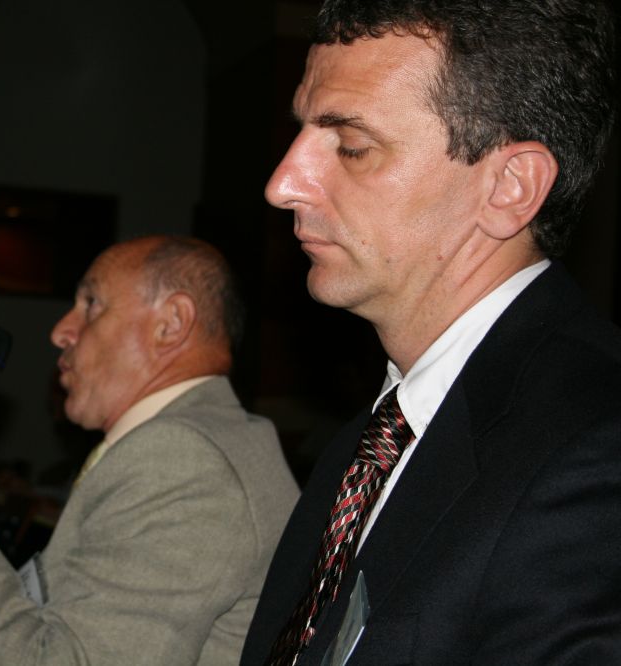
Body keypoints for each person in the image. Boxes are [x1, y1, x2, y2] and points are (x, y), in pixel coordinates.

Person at [239, 1, 620, 664]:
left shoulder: (595, 455)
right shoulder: (370, 441)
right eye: (300, 133)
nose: (283, 184)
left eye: (352, 146)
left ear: (509, 187)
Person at [0, 235, 299, 665]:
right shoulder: (199, 440)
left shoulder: (185, 460)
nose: (60, 332)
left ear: (171, 323)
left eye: (91, 304)